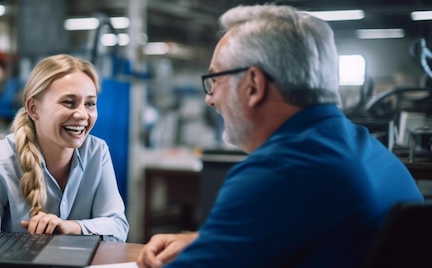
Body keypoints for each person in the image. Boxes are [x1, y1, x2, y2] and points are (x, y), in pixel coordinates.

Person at [137, 4, 423, 267]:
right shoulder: (371, 152)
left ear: (254, 85)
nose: (209, 99)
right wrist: (206, 239)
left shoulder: (281, 170)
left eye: (215, 80)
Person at [0, 54, 129, 242]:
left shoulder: (97, 152)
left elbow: (118, 227)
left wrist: (71, 227)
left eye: (90, 104)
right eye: (68, 102)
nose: (83, 114)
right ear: (34, 109)